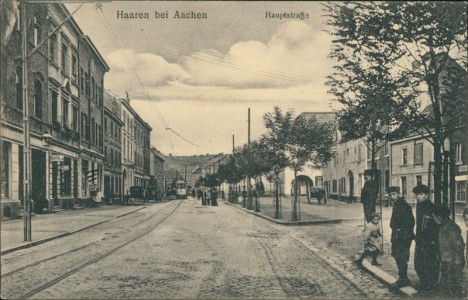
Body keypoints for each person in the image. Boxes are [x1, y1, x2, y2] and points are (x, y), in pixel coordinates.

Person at [432, 204, 465, 298]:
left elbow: (459, 247)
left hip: (453, 263)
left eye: (434, 217)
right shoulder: (443, 226)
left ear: (439, 217)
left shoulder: (451, 228)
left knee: (453, 289)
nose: (434, 219)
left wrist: (456, 263)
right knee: (445, 287)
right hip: (446, 261)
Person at [413, 184, 439, 292]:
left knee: (429, 262)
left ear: (426, 195)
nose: (418, 196)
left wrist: (433, 240)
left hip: (430, 240)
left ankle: (431, 284)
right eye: (417, 194)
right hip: (420, 239)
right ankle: (424, 281)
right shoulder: (419, 206)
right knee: (418, 263)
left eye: (421, 194)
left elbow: (436, 225)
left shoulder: (432, 207)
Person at [388, 186, 415, 288]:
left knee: (401, 256)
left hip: (403, 237)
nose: (392, 197)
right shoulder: (396, 205)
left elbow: (410, 222)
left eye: (394, 194)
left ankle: (404, 279)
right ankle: (402, 278)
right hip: (397, 235)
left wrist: (401, 231)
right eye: (390, 195)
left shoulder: (404, 206)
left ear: (398, 194)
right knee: (397, 255)